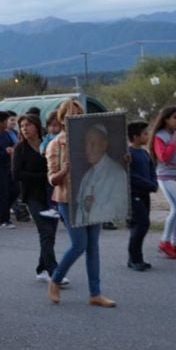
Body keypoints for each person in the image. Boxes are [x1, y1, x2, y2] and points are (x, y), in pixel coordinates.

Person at [45, 99, 116, 307]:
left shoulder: (91, 139)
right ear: (62, 119)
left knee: (93, 245)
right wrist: (64, 170)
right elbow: (52, 179)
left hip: (93, 197)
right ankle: (55, 279)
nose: (75, 118)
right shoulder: (55, 144)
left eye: (78, 114)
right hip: (68, 199)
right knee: (79, 244)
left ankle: (95, 293)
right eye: (70, 114)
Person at [12, 114, 68, 285]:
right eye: (22, 126)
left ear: (37, 126)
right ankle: (54, 271)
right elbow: (17, 174)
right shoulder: (20, 149)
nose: (25, 129)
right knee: (46, 231)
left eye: (28, 125)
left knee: (50, 233)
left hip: (52, 195)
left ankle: (42, 268)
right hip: (33, 196)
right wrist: (43, 176)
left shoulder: (49, 143)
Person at [150, 106, 176, 260]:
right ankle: (165, 241)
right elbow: (164, 157)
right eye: (175, 117)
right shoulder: (160, 137)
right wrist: (173, 142)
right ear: (166, 119)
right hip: (167, 176)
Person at [72, 124, 129, 226]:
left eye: (92, 144)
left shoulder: (118, 173)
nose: (88, 149)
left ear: (104, 145)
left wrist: (92, 207)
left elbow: (120, 211)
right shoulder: (87, 175)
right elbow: (80, 210)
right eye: (86, 144)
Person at [127, 121, 157, 271]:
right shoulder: (128, 154)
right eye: (144, 133)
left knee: (141, 225)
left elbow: (152, 170)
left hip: (145, 194)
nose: (148, 136)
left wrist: (153, 183)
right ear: (135, 136)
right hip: (135, 194)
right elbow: (130, 176)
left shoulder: (144, 153)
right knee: (141, 224)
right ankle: (135, 258)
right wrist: (147, 184)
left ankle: (135, 258)